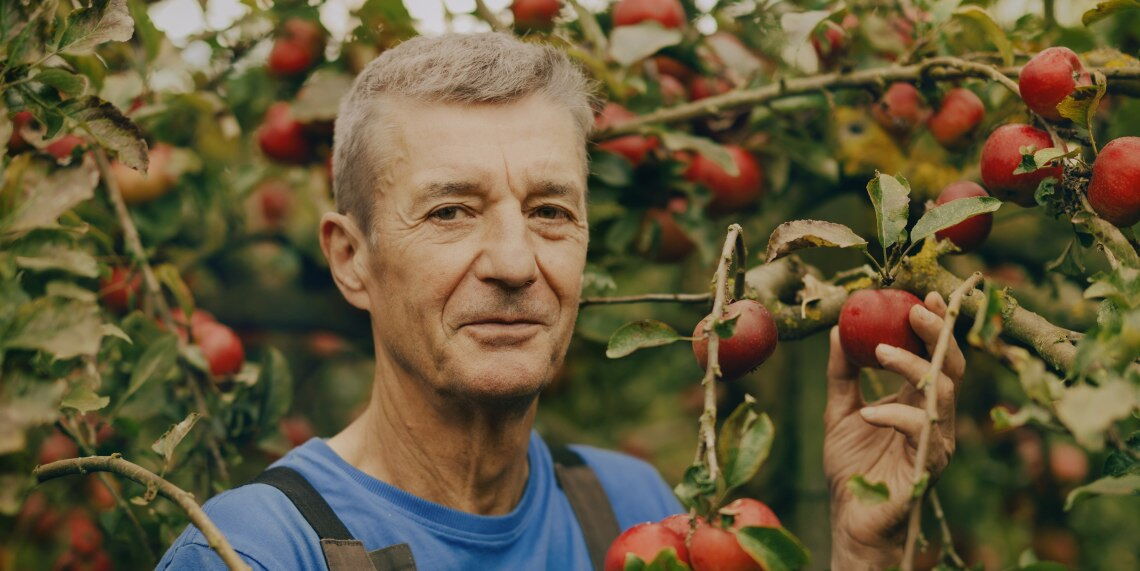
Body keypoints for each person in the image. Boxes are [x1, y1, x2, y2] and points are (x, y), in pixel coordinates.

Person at [158, 32, 964, 571]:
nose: (514, 263)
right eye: (451, 212)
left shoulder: (632, 511)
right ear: (351, 258)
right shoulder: (260, 550)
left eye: (549, 211)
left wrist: (870, 547)